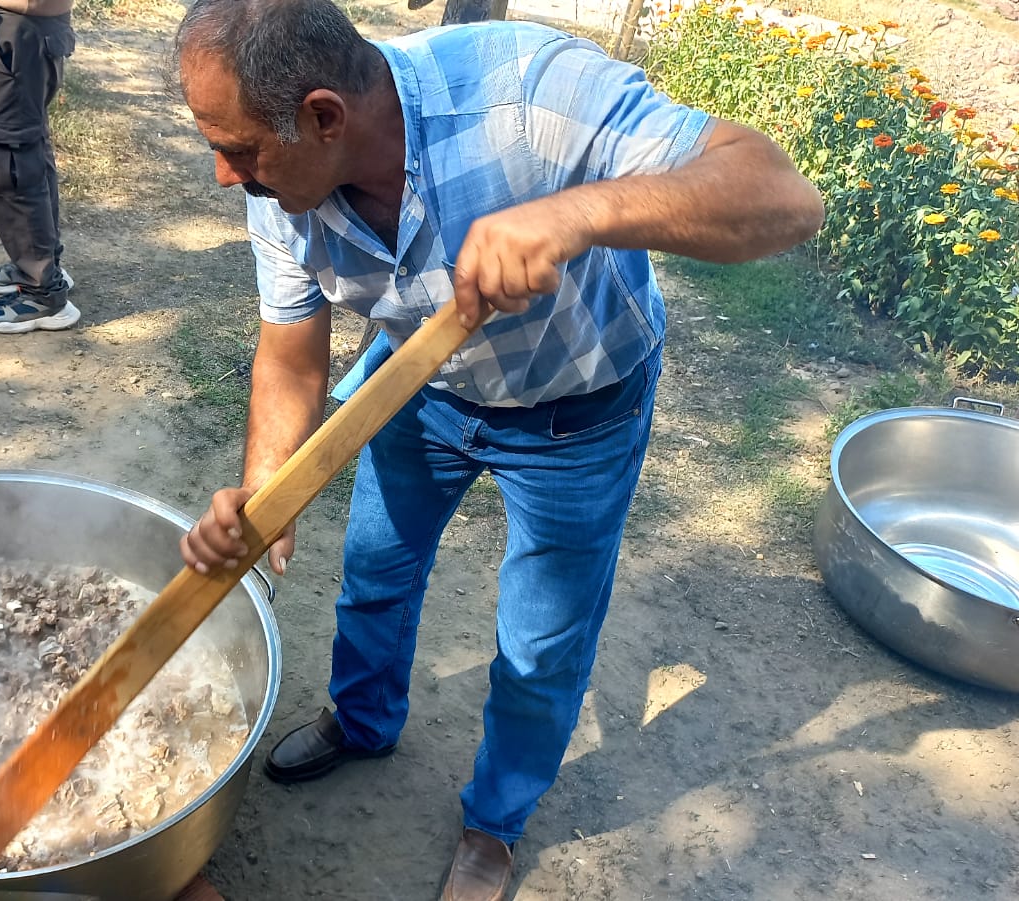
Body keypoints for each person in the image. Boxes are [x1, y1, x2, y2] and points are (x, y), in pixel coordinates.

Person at [171, 1, 824, 898]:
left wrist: (576, 214)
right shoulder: (283, 190)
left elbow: (781, 198)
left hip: (576, 410)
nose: (221, 172)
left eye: (238, 149)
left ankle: (494, 822)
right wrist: (260, 497)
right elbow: (291, 353)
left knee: (541, 640)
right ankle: (362, 721)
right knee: (376, 572)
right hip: (418, 388)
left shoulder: (527, 92)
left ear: (325, 116)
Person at [0, 0, 80, 334]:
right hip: (10, 25)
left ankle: (42, 293)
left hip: (20, 26)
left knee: (11, 155)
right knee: (24, 148)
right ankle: (41, 266)